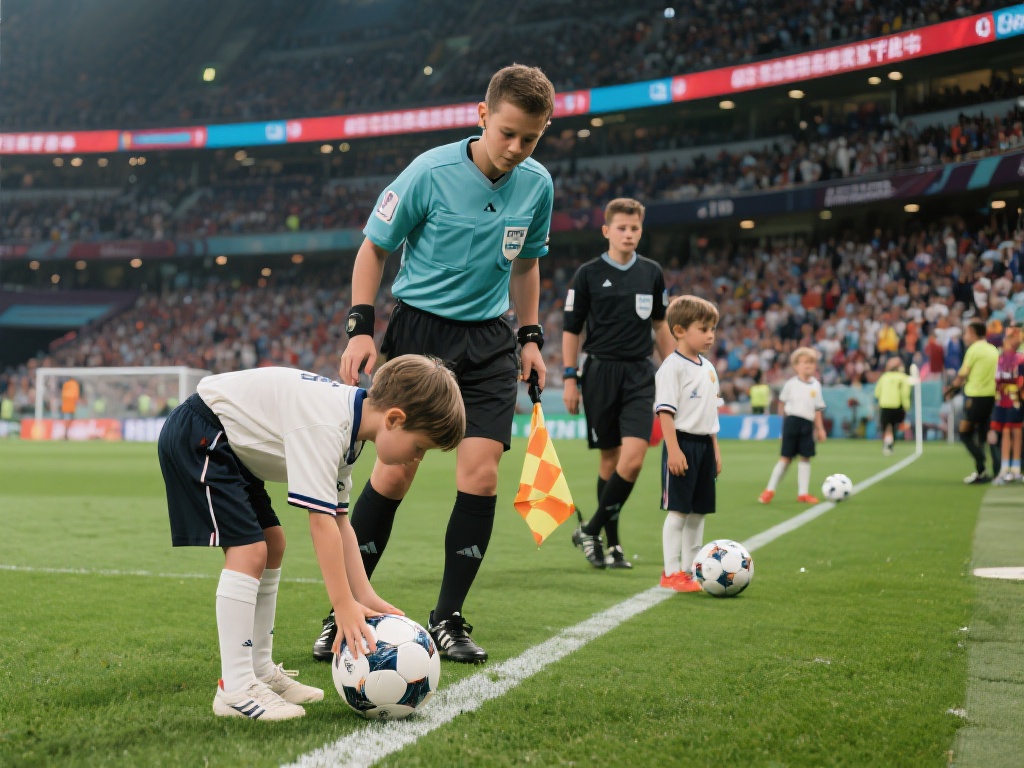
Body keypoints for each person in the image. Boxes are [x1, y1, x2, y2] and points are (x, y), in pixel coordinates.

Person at [315, 63, 556, 664]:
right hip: (420, 333)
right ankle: (345, 611)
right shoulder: (428, 172)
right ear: (482, 115)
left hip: (491, 341)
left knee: (482, 475)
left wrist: (529, 337)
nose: (516, 148)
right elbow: (374, 248)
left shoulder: (538, 185)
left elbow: (527, 263)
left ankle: (448, 618)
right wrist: (361, 327)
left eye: (530, 138)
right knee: (395, 473)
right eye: (507, 133)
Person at [156, 355, 465, 720]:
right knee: (250, 551)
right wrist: (343, 605)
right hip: (203, 434)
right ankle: (235, 688)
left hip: (232, 445)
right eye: (419, 448)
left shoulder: (351, 431)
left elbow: (340, 520)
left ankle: (259, 670)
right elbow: (320, 523)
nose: (417, 459)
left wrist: (363, 595)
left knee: (273, 544)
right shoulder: (327, 424)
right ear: (394, 419)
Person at [562, 197, 674, 570]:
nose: (629, 234)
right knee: (609, 460)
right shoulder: (588, 274)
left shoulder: (652, 272)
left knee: (634, 458)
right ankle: (612, 545)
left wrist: (674, 369)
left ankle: (589, 529)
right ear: (606, 230)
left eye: (635, 228)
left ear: (641, 231)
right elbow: (572, 329)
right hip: (599, 372)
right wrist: (569, 378)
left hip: (640, 373)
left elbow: (660, 324)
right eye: (622, 228)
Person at [654, 296, 722, 592]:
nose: (710, 335)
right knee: (679, 511)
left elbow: (711, 412)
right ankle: (671, 573)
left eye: (713, 329)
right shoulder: (672, 367)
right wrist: (674, 450)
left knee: (698, 511)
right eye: (704, 329)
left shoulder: (709, 368)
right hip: (681, 443)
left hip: (704, 445)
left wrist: (715, 450)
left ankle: (691, 569)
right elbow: (665, 412)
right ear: (680, 331)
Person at [758, 347, 828, 504]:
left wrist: (820, 429)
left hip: (807, 424)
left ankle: (803, 493)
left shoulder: (816, 385)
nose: (808, 365)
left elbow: (817, 409)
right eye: (804, 362)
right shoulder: (791, 384)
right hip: (792, 422)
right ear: (796, 366)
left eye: (811, 362)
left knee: (805, 457)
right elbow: (782, 403)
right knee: (786, 458)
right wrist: (782, 425)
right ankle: (769, 490)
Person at [945, 319, 1000, 484]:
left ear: (974, 333)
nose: (965, 337)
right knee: (985, 433)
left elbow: (963, 374)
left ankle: (981, 462)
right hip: (991, 397)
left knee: (964, 432)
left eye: (967, 333)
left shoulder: (974, 350)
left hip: (976, 397)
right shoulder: (993, 350)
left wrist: (950, 391)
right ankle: (993, 470)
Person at [989, 328, 1023, 484]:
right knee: (1005, 431)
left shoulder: (1020, 359)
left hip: (1015, 399)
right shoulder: (999, 358)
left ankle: (1015, 468)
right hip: (1002, 399)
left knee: (1016, 431)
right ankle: (1004, 468)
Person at [874, 357, 913, 456]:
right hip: (897, 405)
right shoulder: (902, 377)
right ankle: (890, 445)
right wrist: (906, 405)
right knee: (894, 426)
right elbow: (905, 393)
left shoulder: (884, 377)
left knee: (886, 426)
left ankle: (886, 444)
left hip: (885, 405)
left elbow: (877, 393)